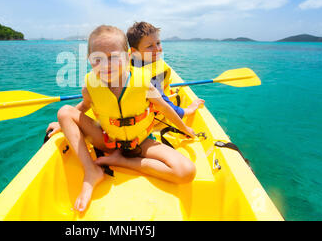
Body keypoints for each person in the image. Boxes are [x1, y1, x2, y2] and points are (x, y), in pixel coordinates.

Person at [47, 25, 196, 213]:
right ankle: (91, 171)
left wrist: (184, 128)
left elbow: (165, 108)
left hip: (140, 142)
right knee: (64, 112)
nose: (105, 65)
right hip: (107, 140)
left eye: (113, 58)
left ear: (127, 56)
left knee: (186, 172)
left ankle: (124, 161)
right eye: (97, 59)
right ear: (89, 60)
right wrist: (62, 125)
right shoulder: (91, 86)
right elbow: (83, 108)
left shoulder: (143, 83)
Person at [126, 21, 205, 124]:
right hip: (152, 119)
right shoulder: (149, 76)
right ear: (134, 51)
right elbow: (165, 106)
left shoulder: (130, 61)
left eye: (158, 43)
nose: (157, 49)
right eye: (150, 46)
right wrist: (189, 109)